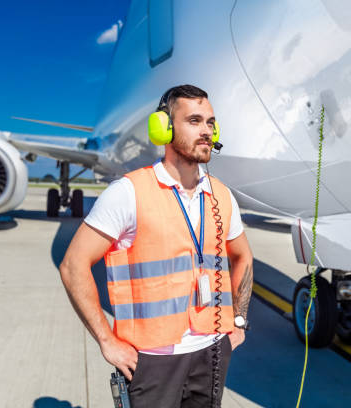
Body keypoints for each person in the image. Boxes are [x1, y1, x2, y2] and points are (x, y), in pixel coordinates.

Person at [59, 84, 253, 407]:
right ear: (163, 128)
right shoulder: (129, 192)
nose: (206, 131)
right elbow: (73, 265)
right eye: (194, 121)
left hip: (213, 351)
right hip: (153, 361)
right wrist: (107, 340)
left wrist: (239, 321)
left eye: (210, 122)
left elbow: (243, 256)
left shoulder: (222, 195)